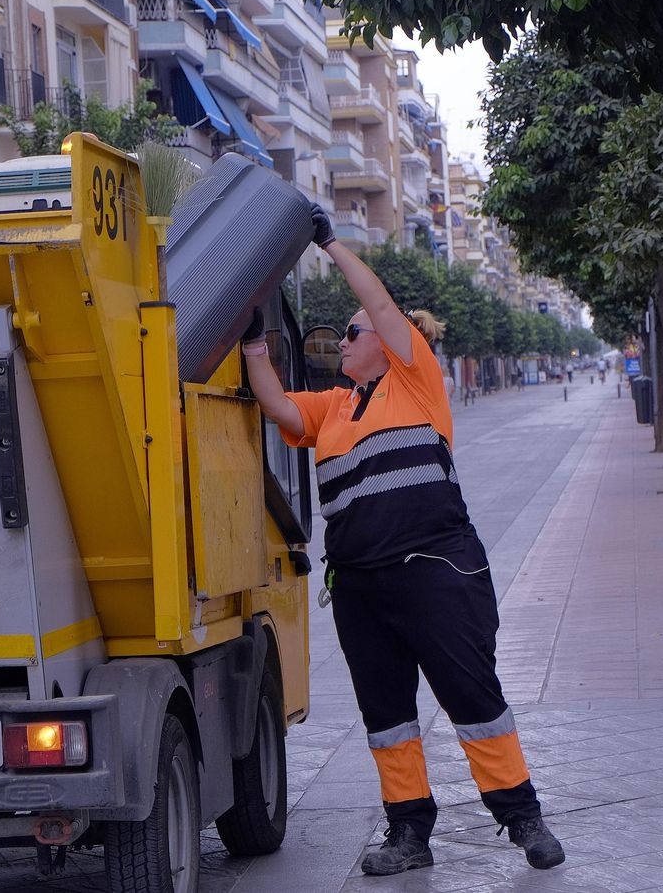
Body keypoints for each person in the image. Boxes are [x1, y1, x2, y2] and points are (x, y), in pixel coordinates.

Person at [240, 206, 564, 876]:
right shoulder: (333, 407)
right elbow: (276, 405)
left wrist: (332, 244)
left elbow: (381, 307)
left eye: (352, 334)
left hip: (437, 570)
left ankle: (523, 818)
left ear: (388, 345)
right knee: (386, 716)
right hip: (361, 585)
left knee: (472, 697)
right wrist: (251, 346)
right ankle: (409, 833)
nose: (342, 343)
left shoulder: (417, 383)